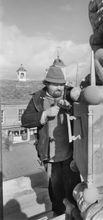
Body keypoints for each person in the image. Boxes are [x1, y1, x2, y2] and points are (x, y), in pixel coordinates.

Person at [21, 65, 81, 216]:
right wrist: (45, 114)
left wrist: (71, 108)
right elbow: (25, 120)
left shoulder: (68, 95)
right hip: (50, 156)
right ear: (46, 83)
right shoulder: (37, 98)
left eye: (61, 84)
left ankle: (74, 214)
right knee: (56, 189)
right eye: (55, 84)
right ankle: (58, 214)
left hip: (70, 154)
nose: (59, 88)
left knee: (73, 186)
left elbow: (85, 109)